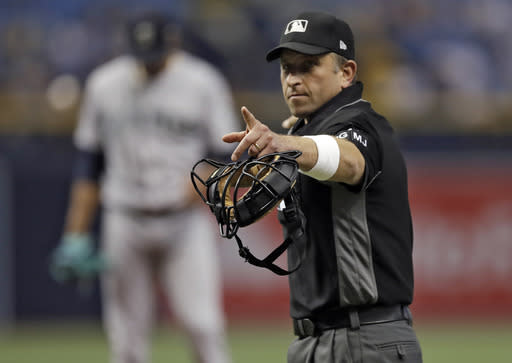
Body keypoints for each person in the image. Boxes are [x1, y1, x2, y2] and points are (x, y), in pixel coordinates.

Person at [222, 11, 423, 363]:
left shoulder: (364, 124)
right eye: (287, 68)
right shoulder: (302, 138)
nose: (294, 79)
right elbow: (264, 200)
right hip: (310, 342)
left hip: (368, 340)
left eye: (309, 65)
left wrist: (283, 144)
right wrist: (233, 202)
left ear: (346, 73)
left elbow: (348, 160)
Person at [51, 11, 236, 363]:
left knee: (204, 326)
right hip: (125, 218)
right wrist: (74, 234)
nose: (148, 64)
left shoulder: (202, 81)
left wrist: (201, 185)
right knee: (126, 339)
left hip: (183, 221)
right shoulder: (104, 84)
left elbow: (223, 150)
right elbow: (90, 163)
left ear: (173, 43)